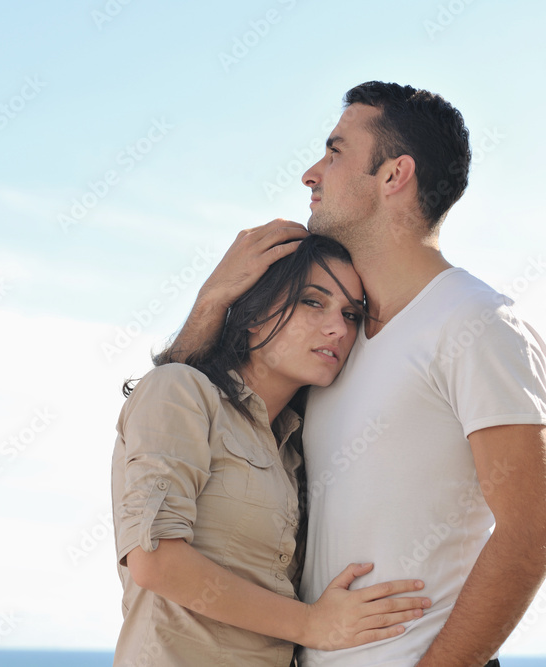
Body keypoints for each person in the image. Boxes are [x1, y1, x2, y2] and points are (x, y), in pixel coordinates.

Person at [165, 82, 546, 667]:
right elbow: (184, 422)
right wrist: (211, 302)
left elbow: (532, 531)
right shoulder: (331, 341)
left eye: (335, 151)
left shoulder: (478, 322)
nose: (311, 174)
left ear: (395, 175)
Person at [112, 234, 431, 666]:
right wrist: (312, 624)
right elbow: (156, 561)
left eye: (351, 314)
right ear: (254, 313)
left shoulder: (295, 451)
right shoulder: (180, 391)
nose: (339, 327)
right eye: (313, 302)